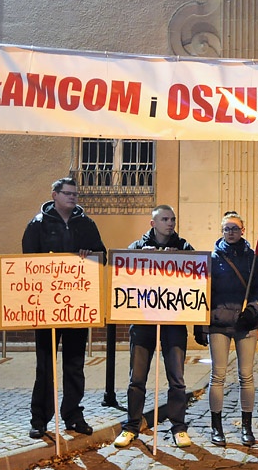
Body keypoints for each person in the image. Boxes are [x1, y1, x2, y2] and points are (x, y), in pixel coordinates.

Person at [22, 177, 106, 439]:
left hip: (77, 306)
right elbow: (27, 263)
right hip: (47, 307)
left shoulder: (86, 224)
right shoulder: (38, 224)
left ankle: (72, 414)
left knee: (74, 364)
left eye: (75, 194)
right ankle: (40, 418)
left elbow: (101, 256)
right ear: (54, 195)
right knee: (45, 365)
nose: (72, 197)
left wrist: (89, 255)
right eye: (67, 193)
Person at [114, 204, 194, 449]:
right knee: (137, 378)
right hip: (143, 321)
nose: (170, 223)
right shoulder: (137, 248)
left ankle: (179, 427)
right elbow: (123, 276)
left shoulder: (183, 247)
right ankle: (131, 426)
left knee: (177, 379)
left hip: (174, 322)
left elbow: (197, 278)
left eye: (172, 219)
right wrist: (140, 260)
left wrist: (179, 259)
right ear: (153, 223)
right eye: (164, 219)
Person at [194, 211, 258, 447]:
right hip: (219, 323)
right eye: (227, 228)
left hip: (245, 322)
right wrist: (199, 323)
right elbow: (203, 292)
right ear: (222, 230)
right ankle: (217, 427)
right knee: (218, 376)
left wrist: (253, 310)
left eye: (235, 228)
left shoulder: (254, 259)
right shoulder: (212, 259)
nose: (231, 232)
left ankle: (246, 426)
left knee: (246, 376)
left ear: (243, 230)